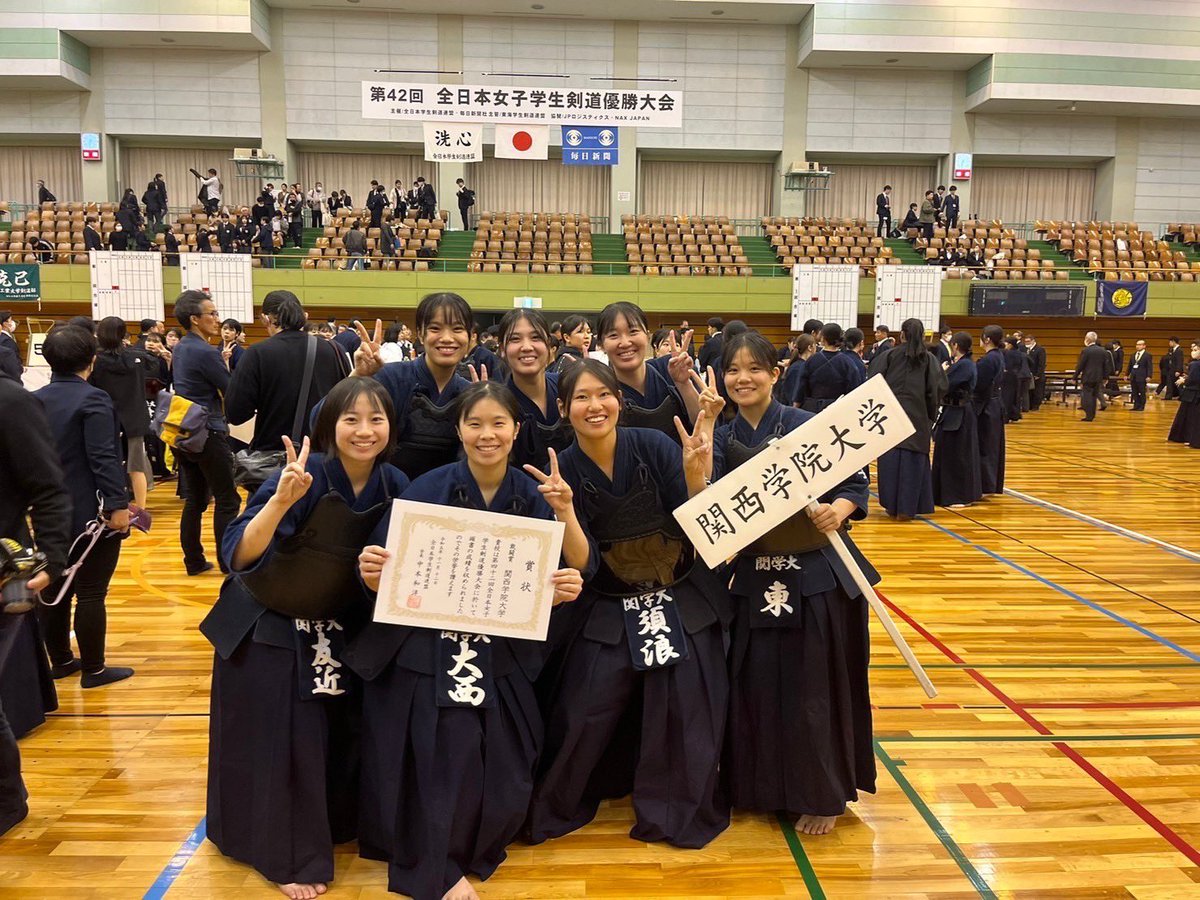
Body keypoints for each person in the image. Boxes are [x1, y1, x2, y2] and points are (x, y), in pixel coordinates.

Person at [352, 381, 584, 900]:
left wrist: (561, 588)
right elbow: (386, 571)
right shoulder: (424, 489)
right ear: (458, 430)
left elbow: (553, 575)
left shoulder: (533, 496)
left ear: (516, 429)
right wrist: (372, 572)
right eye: (475, 424)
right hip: (428, 648)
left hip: (503, 651)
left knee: (508, 761)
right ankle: (435, 865)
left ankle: (478, 845)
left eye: (498, 423)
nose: (487, 435)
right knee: (444, 751)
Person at [202, 377, 410, 900]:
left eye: (376, 419)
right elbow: (237, 556)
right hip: (267, 620)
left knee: (336, 736)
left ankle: (330, 826)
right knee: (280, 740)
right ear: (328, 425)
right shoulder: (301, 474)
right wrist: (278, 502)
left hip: (334, 626)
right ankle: (280, 852)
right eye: (351, 420)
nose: (364, 431)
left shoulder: (396, 483)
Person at [527, 360, 732, 850]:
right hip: (605, 597)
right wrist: (564, 510)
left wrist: (695, 475)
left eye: (604, 394)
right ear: (563, 408)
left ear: (620, 400)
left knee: (686, 692)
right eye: (582, 397)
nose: (595, 406)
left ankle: (677, 809)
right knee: (585, 701)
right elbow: (583, 563)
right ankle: (565, 800)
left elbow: (695, 522)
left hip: (678, 589)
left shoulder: (656, 445)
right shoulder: (562, 471)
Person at [711, 330, 876, 836]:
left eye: (754, 368)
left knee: (813, 689)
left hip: (816, 576)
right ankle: (759, 788)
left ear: (775, 374)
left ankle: (821, 793)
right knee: (755, 685)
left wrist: (838, 510)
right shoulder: (718, 437)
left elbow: (854, 481)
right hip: (754, 579)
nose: (743, 378)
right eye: (733, 370)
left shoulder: (806, 426)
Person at [34, 325, 133, 688]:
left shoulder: (35, 399)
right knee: (91, 590)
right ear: (92, 360)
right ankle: (94, 669)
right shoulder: (94, 399)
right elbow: (103, 457)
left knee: (53, 586)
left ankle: (59, 659)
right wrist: (118, 505)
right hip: (88, 510)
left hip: (47, 512)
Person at [0, 373, 71, 836]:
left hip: (7, 572)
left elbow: (48, 486)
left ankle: (6, 802)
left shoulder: (9, 400)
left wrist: (51, 559)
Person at [350, 293, 474, 479]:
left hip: (447, 499)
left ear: (470, 337)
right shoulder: (389, 378)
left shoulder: (470, 392)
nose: (447, 338)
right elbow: (323, 422)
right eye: (435, 328)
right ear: (421, 334)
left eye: (457, 329)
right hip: (389, 495)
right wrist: (358, 377)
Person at [171, 290, 243, 575]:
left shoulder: (182, 347)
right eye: (211, 314)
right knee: (228, 498)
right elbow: (231, 390)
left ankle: (194, 561)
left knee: (196, 499)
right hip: (207, 431)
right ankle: (228, 562)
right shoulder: (205, 351)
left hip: (183, 430)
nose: (217, 318)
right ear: (194, 319)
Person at [868, 318, 947, 519]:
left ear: (902, 335)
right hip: (917, 419)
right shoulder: (929, 360)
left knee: (890, 463)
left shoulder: (888, 356)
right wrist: (929, 415)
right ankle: (908, 507)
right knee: (913, 464)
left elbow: (873, 384)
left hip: (889, 418)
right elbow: (937, 390)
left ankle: (892, 506)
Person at [597, 302, 705, 442]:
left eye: (633, 332)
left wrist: (684, 384)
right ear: (601, 344)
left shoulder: (671, 368)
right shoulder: (599, 390)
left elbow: (702, 426)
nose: (625, 343)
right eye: (613, 335)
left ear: (647, 336)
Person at [88, 317, 156, 510]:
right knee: (136, 467)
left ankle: (115, 505)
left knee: (110, 464)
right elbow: (155, 367)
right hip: (134, 418)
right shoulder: (135, 357)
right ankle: (141, 510)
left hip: (106, 419)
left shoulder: (96, 361)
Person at [932, 332, 983, 508]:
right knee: (947, 452)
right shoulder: (961, 364)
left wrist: (943, 372)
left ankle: (959, 496)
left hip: (960, 413)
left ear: (955, 346)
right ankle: (943, 493)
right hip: (951, 411)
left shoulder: (966, 366)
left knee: (958, 455)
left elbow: (945, 385)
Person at [795, 322, 865, 412]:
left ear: (822, 338)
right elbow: (854, 390)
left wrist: (795, 407)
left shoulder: (811, 360)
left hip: (812, 408)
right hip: (838, 409)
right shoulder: (848, 362)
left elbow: (801, 387)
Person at [974, 325, 1006, 495]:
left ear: (986, 339)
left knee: (985, 446)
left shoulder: (988, 360)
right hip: (994, 404)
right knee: (992, 446)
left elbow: (979, 385)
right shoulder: (998, 356)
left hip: (986, 407)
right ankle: (990, 483)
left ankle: (986, 484)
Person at [1167, 340, 1200, 449]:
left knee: (1192, 417)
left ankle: (1191, 438)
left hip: (1194, 394)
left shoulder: (1195, 364)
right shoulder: (1194, 363)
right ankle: (1188, 437)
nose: (1193, 352)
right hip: (1192, 393)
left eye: (1195, 350)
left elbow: (1194, 379)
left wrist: (1184, 381)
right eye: (1192, 350)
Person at [1075, 331, 1113, 422]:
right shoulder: (1103, 351)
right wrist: (1105, 377)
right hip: (1098, 377)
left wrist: (1075, 376)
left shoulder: (1086, 351)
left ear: (1087, 339)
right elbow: (1106, 366)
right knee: (1094, 396)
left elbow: (1081, 365)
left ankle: (1088, 415)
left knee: (1087, 396)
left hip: (1088, 377)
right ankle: (1092, 415)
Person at [781, 333, 816, 406]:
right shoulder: (798, 368)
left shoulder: (803, 365)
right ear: (810, 347)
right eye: (815, 345)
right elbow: (792, 395)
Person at [1001, 337, 1027, 423]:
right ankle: (1014, 414)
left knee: (1006, 397)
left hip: (1008, 377)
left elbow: (1007, 365)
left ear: (1010, 344)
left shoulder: (1009, 353)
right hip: (1016, 377)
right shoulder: (1019, 353)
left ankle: (1006, 416)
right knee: (1014, 396)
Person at [1128, 339, 1152, 411]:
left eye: (1139, 345)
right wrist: (1126, 374)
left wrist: (1149, 376)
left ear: (1144, 346)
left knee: (1142, 391)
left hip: (1142, 376)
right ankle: (1136, 405)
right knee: (1134, 392)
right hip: (1133, 376)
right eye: (1137, 345)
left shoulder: (1147, 355)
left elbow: (1149, 366)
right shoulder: (1133, 355)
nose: (1137, 346)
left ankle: (1142, 406)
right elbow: (1130, 365)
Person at [1025, 334, 1047, 410]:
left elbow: (1042, 363)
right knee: (1030, 390)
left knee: (1037, 391)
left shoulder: (1040, 349)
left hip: (1037, 374)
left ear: (1033, 340)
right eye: (1026, 341)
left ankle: (1036, 405)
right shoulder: (1026, 350)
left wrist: (1038, 374)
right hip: (1028, 373)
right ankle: (1030, 405)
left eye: (1028, 341)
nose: (1027, 343)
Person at [0, 312, 20, 382]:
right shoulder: (6, 341)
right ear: (5, 324)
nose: (13, 323)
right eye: (11, 320)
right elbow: (11, 363)